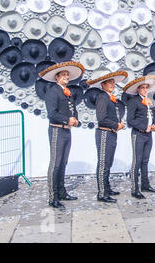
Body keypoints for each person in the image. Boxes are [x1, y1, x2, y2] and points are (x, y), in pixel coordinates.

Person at [39, 61, 85, 209]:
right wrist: (67, 119)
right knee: (55, 163)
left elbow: (73, 110)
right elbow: (52, 114)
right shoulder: (52, 91)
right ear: (57, 77)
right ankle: (53, 197)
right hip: (57, 130)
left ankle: (62, 192)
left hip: (67, 130)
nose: (66, 76)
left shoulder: (67, 92)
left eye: (67, 75)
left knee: (63, 162)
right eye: (63, 75)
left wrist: (75, 120)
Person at [86, 71, 128, 203]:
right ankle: (102, 193)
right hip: (104, 133)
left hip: (111, 132)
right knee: (103, 163)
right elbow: (102, 119)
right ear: (102, 85)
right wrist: (117, 124)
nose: (112, 84)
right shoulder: (102, 97)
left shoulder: (110, 97)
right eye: (109, 82)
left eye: (113, 82)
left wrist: (118, 125)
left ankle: (107, 187)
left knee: (108, 163)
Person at [124, 74, 155, 199]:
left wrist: (154, 125)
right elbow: (130, 120)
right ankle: (135, 189)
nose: (145, 90)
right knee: (137, 161)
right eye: (143, 88)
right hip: (138, 134)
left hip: (148, 135)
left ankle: (145, 185)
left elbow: (154, 116)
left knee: (145, 161)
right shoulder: (133, 101)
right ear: (138, 89)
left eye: (147, 87)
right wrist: (143, 126)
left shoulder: (149, 101)